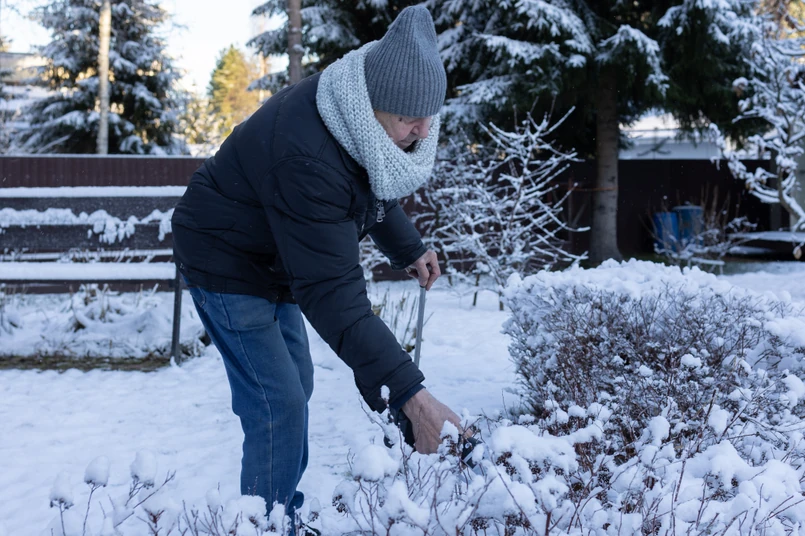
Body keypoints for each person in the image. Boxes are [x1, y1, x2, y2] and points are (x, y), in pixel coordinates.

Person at [171, 4, 467, 520]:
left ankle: (277, 510)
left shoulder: (354, 115)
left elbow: (368, 185)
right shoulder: (309, 154)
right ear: (374, 104)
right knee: (278, 403)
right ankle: (264, 524)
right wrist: (410, 395)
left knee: (296, 384)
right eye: (408, 118)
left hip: (274, 252)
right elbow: (334, 296)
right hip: (225, 257)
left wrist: (408, 247)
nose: (423, 131)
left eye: (428, 116)